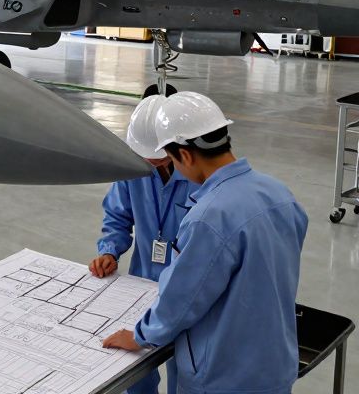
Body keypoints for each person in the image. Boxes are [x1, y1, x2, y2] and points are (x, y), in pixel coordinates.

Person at [101, 92, 307, 394]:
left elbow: (184, 298)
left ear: (184, 155)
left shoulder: (208, 216)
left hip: (221, 376)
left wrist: (140, 336)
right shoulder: (280, 195)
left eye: (170, 159)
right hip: (272, 365)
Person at [89, 95, 192, 394]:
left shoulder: (198, 176)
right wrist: (109, 250)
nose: (152, 162)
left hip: (187, 292)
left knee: (185, 372)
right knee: (133, 373)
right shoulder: (133, 169)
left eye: (159, 155)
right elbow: (118, 214)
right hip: (141, 286)